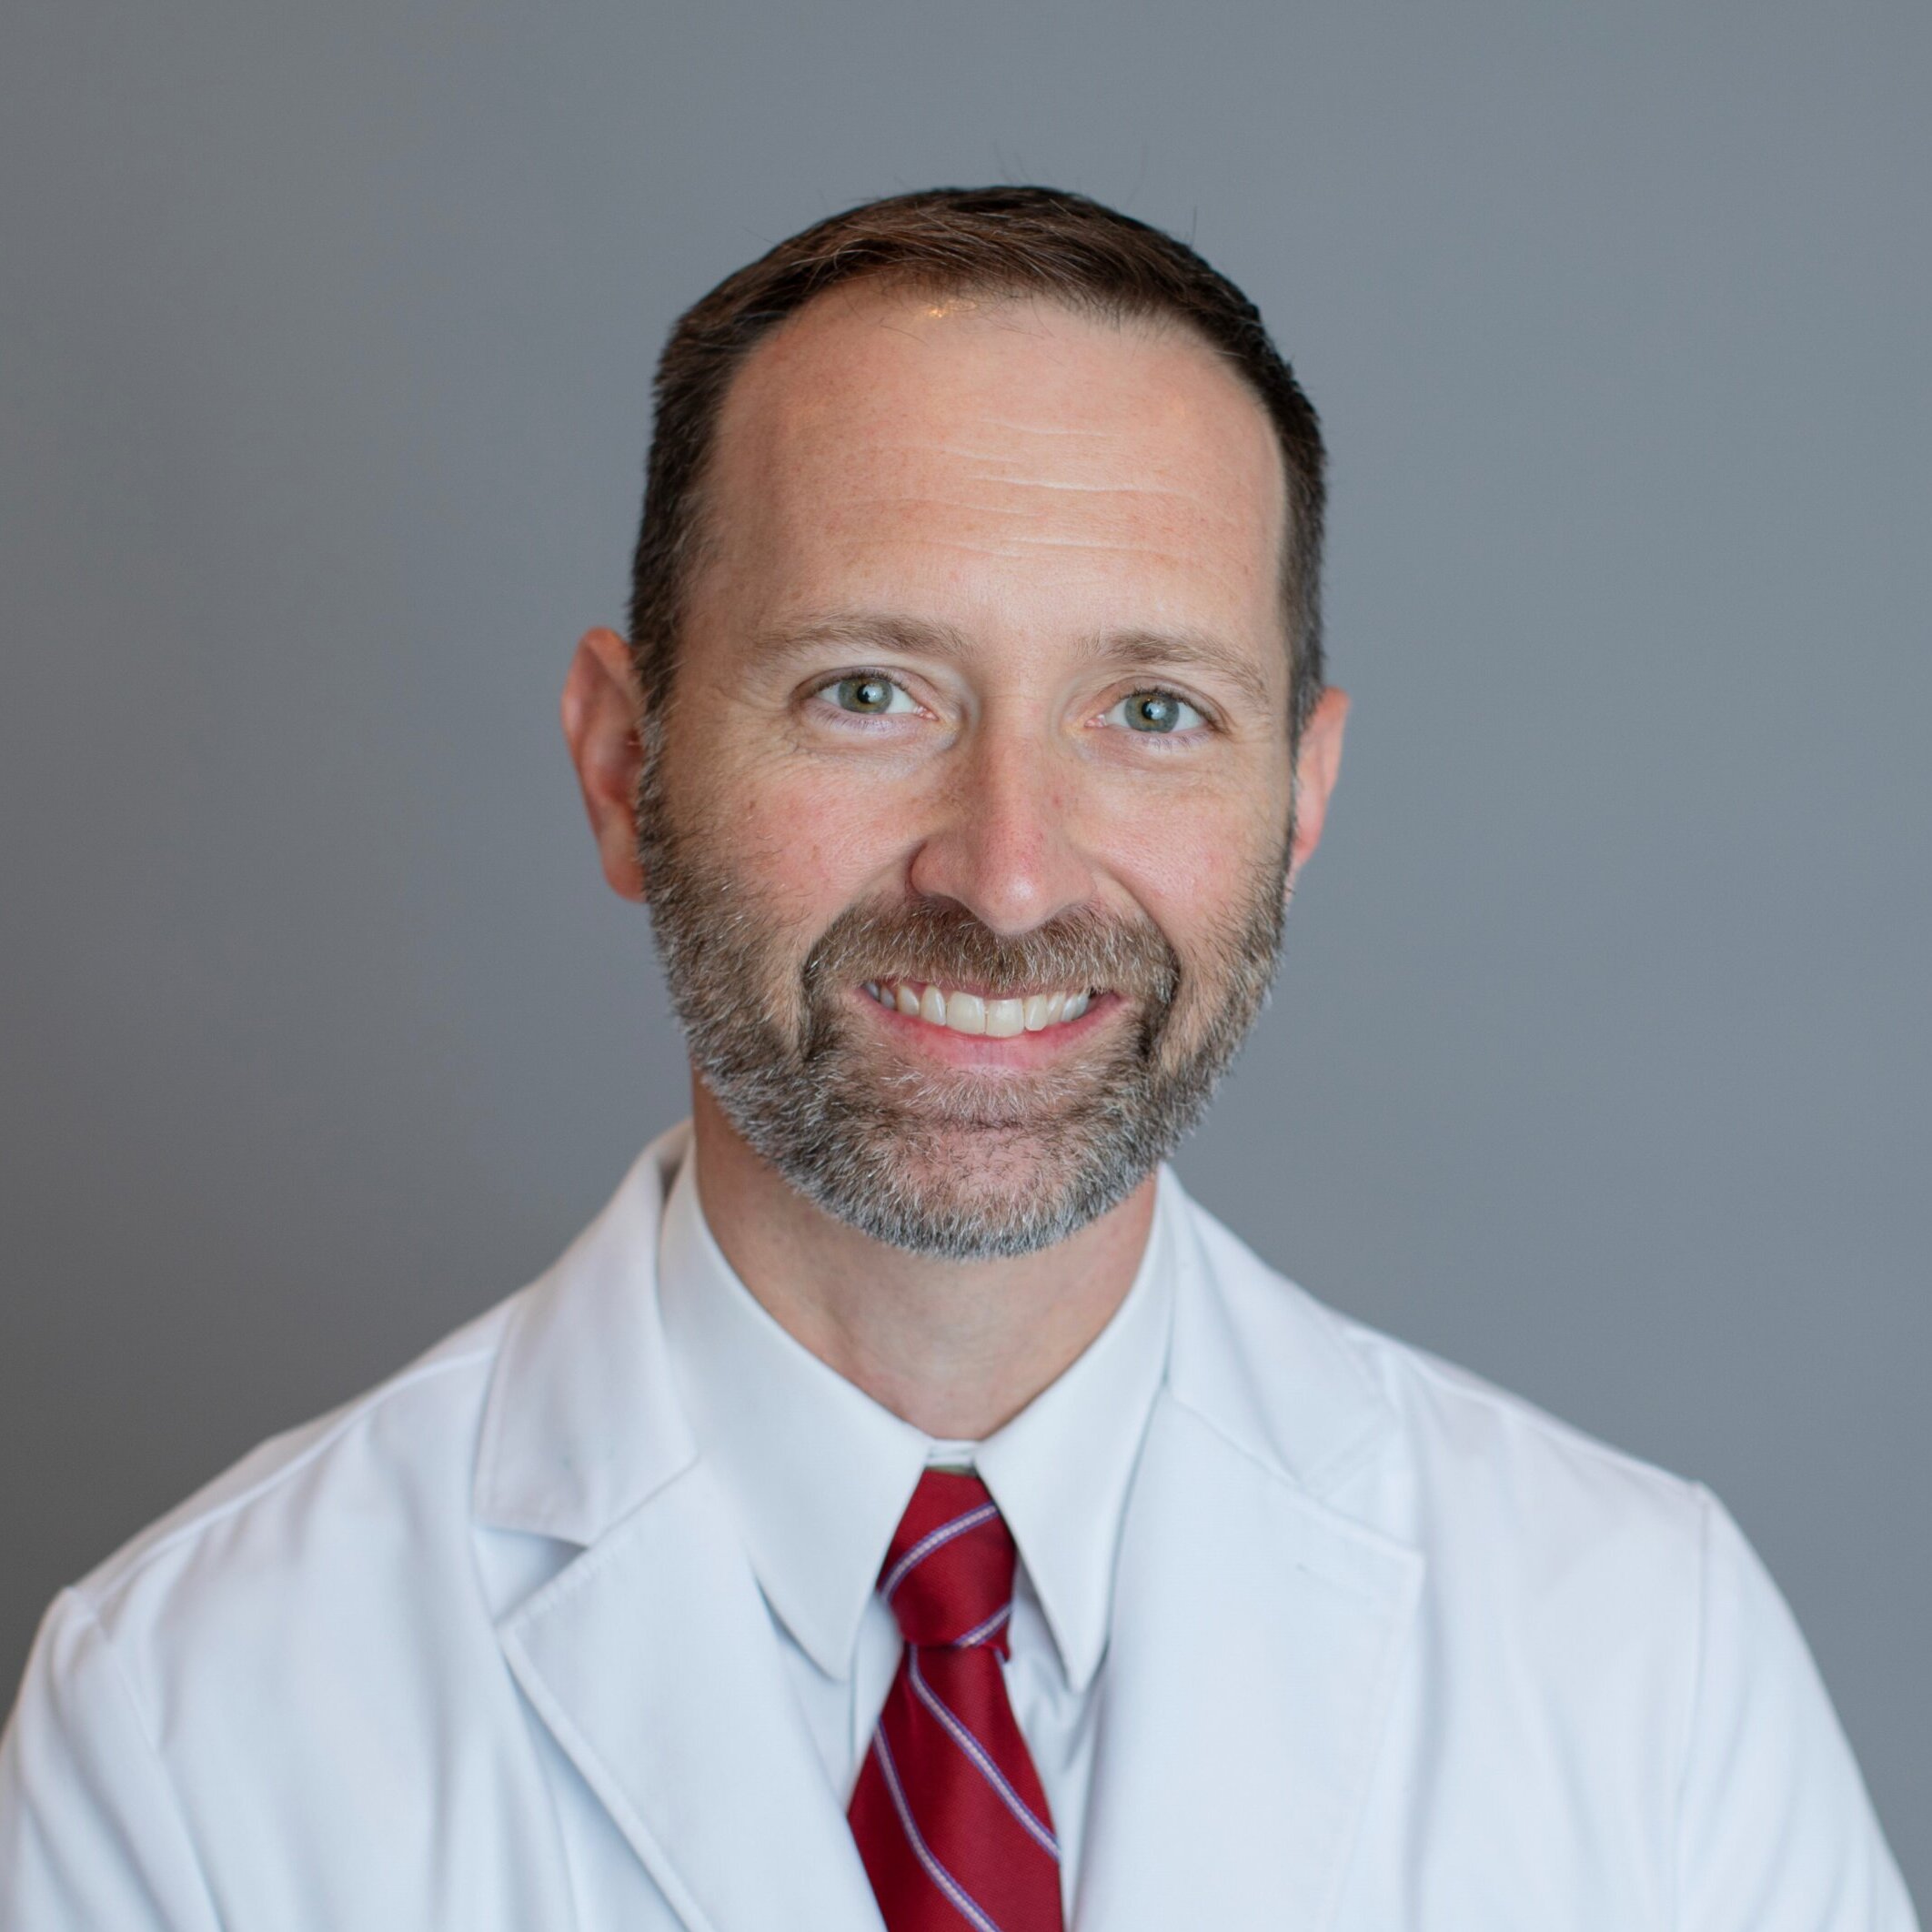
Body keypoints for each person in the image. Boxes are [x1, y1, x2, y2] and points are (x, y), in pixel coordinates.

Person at [0, 186, 1913, 1930]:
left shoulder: (1645, 1666)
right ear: (623, 766)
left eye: (1151, 711)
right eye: (869, 691)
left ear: (1301, 800)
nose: (1007, 876)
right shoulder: (189, 1721)